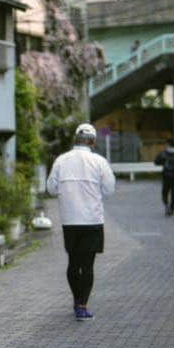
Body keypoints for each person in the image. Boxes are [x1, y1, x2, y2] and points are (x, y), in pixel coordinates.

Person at [46, 123, 116, 321]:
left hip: (69, 220)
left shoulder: (61, 160)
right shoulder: (99, 161)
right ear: (93, 142)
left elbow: (50, 188)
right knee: (87, 265)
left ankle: (77, 301)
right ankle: (82, 306)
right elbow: (109, 189)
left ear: (75, 139)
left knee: (73, 263)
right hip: (92, 220)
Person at [154, 138, 174, 215]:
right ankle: (172, 209)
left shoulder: (164, 153)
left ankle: (166, 205)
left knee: (165, 192)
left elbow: (156, 161)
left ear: (168, 144)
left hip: (166, 175)